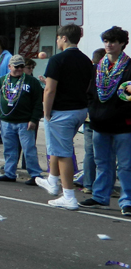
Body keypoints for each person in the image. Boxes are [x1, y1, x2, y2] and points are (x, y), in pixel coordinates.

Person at [35, 25, 94, 209]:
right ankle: (52, 181)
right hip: (79, 110)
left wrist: (46, 111)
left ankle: (69, 196)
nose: (57, 41)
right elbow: (85, 85)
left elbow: (50, 89)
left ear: (64, 38)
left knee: (63, 153)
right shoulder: (86, 61)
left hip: (61, 111)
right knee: (57, 146)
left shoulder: (57, 59)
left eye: (58, 38)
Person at [79, 27, 131, 215]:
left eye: (113, 41)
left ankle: (127, 201)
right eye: (106, 41)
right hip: (99, 123)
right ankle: (100, 197)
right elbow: (91, 93)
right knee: (102, 162)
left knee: (126, 165)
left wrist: (120, 114)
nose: (109, 45)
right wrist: (93, 112)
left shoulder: (129, 67)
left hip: (123, 125)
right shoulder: (98, 67)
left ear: (123, 43)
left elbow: (128, 96)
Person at [0, 54, 44, 185]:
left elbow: (37, 103)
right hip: (7, 122)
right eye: (16, 66)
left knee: (29, 149)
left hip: (25, 122)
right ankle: (10, 173)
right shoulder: (2, 81)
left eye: (21, 66)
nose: (19, 69)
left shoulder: (31, 81)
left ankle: (35, 175)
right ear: (9, 66)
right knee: (9, 149)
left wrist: (34, 120)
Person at [77, 48, 112, 193]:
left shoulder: (87, 73)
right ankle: (103, 186)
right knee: (106, 154)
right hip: (102, 117)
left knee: (90, 152)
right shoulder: (106, 74)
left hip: (88, 116)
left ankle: (88, 184)